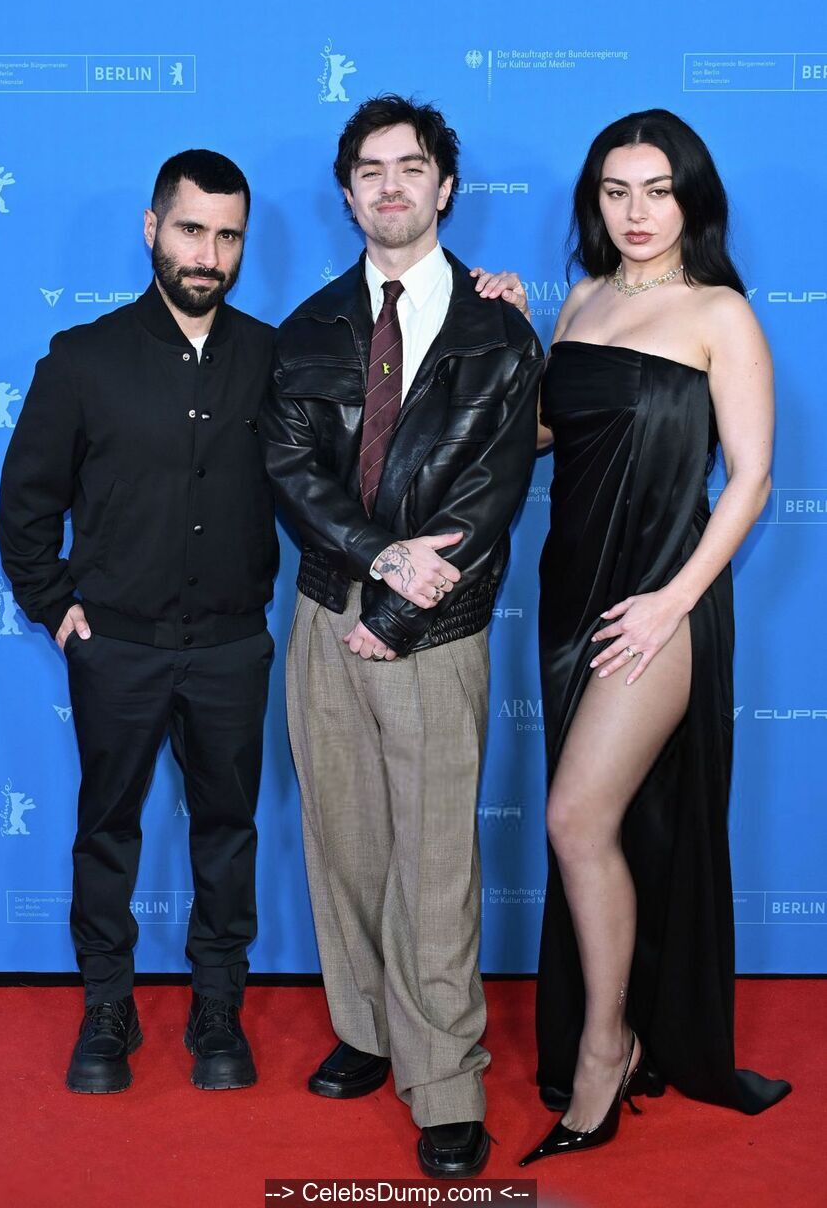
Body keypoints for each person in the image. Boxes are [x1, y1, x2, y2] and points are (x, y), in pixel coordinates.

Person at [502, 108, 790, 1165]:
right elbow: (545, 431)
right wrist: (514, 333)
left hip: (663, 600)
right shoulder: (580, 299)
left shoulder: (720, 312)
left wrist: (673, 601)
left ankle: (605, 1048)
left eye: (657, 191)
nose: (636, 212)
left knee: (576, 817)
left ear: (691, 200)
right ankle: (618, 1028)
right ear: (596, 201)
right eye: (616, 191)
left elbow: (751, 479)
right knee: (606, 824)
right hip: (570, 595)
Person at [260, 95, 542, 1178]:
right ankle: (371, 1028)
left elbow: (493, 488)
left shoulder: (499, 330)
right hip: (327, 607)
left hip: (439, 620)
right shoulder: (310, 327)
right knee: (345, 840)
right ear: (346, 193)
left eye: (411, 166)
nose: (391, 185)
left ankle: (447, 1080)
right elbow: (293, 472)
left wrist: (399, 605)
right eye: (370, 169)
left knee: (433, 859)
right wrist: (376, 566)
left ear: (445, 187)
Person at [0, 150, 277, 1095]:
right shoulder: (82, 359)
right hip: (115, 647)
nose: (209, 254)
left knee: (227, 830)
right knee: (107, 829)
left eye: (228, 236)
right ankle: (107, 1004)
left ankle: (217, 1005)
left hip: (233, 646)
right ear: (153, 228)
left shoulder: (273, 358)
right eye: (192, 229)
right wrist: (56, 608)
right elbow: (25, 506)